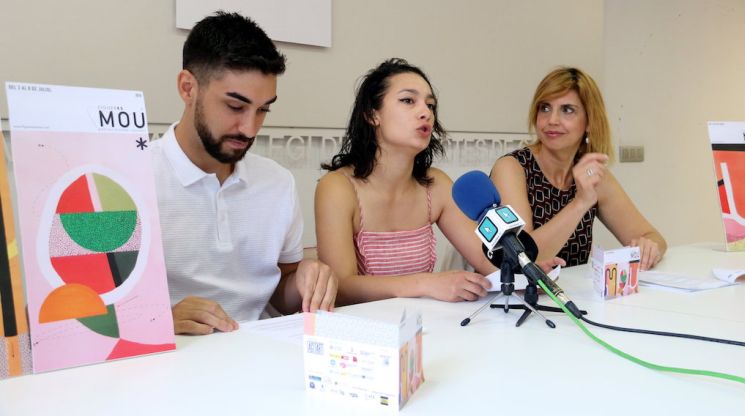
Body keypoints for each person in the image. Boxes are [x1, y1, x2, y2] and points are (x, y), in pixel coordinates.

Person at [151, 12, 337, 335]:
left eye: (263, 109)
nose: (250, 128)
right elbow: (93, 311)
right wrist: (158, 321)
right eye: (235, 107)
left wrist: (305, 281)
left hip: (263, 356)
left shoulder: (278, 183)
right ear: (187, 87)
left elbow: (281, 292)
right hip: (167, 364)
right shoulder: (133, 177)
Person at [316, 58, 515, 305]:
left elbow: (488, 262)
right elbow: (342, 286)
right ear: (372, 114)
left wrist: (525, 272)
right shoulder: (337, 187)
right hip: (363, 333)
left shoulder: (437, 185)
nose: (426, 113)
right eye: (408, 100)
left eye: (430, 105)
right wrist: (426, 283)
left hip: (422, 327)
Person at [490, 67, 667, 269]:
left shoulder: (590, 173)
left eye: (567, 110)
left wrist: (648, 247)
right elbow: (522, 256)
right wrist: (580, 203)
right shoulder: (512, 169)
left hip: (573, 295)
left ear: (590, 121)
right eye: (545, 108)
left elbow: (654, 238)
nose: (552, 120)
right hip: (515, 296)